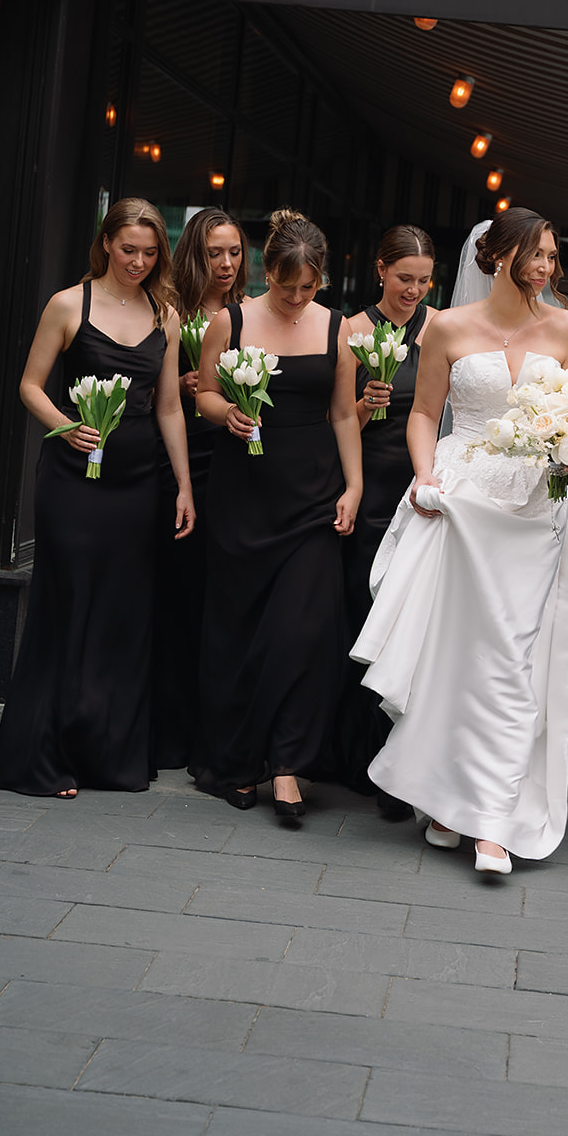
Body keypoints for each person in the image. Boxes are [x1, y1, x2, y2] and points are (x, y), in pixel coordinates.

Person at [352, 208, 568, 875]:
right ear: (496, 257)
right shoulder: (449, 327)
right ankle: (444, 803)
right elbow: (425, 413)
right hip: (462, 501)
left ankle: (492, 819)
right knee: (456, 657)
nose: (544, 268)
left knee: (513, 664)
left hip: (533, 512)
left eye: (551, 256)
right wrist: (425, 474)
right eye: (535, 256)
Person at [0, 199, 194, 797]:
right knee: (69, 606)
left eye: (149, 252)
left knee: (120, 615)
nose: (137, 261)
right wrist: (63, 424)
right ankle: (42, 757)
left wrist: (182, 485)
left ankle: (105, 755)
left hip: (137, 486)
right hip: (71, 482)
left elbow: (168, 406)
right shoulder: (67, 304)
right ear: (106, 243)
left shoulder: (166, 313)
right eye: (127, 249)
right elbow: (29, 385)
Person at [191, 209, 362, 820]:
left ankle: (288, 766)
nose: (296, 298)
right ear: (268, 271)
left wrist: (355, 485)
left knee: (303, 632)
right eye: (287, 286)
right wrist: (224, 415)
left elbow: (343, 413)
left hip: (313, 493)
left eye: (308, 288)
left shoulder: (336, 327)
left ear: (322, 280)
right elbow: (204, 391)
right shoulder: (228, 321)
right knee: (238, 630)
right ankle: (238, 760)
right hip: (243, 494)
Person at [336, 224, 437, 811]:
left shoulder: (439, 327)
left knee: (412, 628)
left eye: (424, 281)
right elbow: (334, 418)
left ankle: (398, 767)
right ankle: (354, 756)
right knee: (362, 617)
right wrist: (361, 405)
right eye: (405, 279)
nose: (414, 291)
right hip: (369, 485)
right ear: (380, 270)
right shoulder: (353, 331)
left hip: (420, 486)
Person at [151, 208, 249, 770]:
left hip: (232, 463)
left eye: (235, 252)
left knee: (219, 597)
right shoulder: (171, 309)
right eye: (216, 253)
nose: (228, 263)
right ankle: (170, 729)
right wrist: (184, 384)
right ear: (195, 253)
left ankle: (209, 727)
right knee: (180, 593)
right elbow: (149, 390)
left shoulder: (246, 316)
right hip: (181, 458)